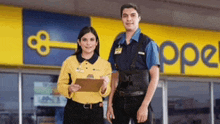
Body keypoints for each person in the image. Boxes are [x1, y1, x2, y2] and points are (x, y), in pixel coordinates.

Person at [107, 3, 160, 124]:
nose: (129, 19)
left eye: (132, 15)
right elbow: (114, 76)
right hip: (119, 101)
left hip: (140, 100)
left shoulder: (148, 43)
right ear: (121, 19)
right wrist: (110, 104)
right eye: (125, 16)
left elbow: (155, 77)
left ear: (139, 18)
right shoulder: (117, 44)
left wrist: (144, 106)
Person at [57, 26, 112, 124]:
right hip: (74, 110)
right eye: (85, 40)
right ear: (79, 42)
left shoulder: (105, 65)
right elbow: (60, 85)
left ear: (96, 43)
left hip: (95, 112)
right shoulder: (69, 62)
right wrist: (69, 88)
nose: (88, 43)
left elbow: (107, 91)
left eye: (92, 39)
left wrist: (104, 87)